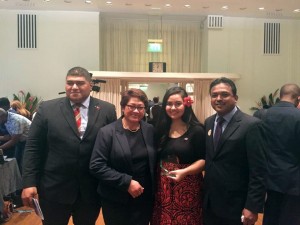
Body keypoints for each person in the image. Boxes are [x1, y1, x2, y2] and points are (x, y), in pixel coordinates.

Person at [21, 66, 117, 225]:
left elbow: (112, 147)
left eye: (80, 83)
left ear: (90, 85)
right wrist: (29, 182)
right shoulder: (47, 109)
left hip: (90, 190)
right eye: (70, 83)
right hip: (54, 189)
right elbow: (33, 147)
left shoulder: (106, 109)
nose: (74, 87)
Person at [203, 77, 267, 225]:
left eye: (224, 94)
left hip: (236, 204)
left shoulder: (251, 125)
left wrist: (252, 206)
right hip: (210, 202)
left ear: (235, 98)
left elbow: (259, 170)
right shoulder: (209, 122)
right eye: (214, 95)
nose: (218, 99)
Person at [90, 88, 156, 225]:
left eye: (140, 107)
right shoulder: (107, 132)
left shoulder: (149, 130)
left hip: (143, 198)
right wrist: (127, 183)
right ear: (123, 107)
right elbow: (97, 166)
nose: (136, 111)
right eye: (132, 106)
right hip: (116, 197)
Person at [151, 86, 206, 225]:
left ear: (186, 104)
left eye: (178, 104)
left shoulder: (196, 130)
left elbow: (204, 159)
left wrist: (185, 171)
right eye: (169, 104)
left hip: (187, 186)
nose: (173, 108)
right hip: (162, 187)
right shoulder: (160, 129)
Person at [262, 84, 300, 225]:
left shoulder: (262, 114)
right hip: (294, 180)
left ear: (280, 97)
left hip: (268, 178)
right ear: (298, 98)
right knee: (291, 219)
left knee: (270, 217)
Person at [0, 108, 31, 173]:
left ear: (1, 116)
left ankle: (26, 182)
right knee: (16, 163)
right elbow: (10, 136)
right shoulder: (6, 120)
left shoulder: (15, 120)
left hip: (29, 143)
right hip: (20, 141)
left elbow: (14, 141)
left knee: (24, 165)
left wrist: (0, 148)